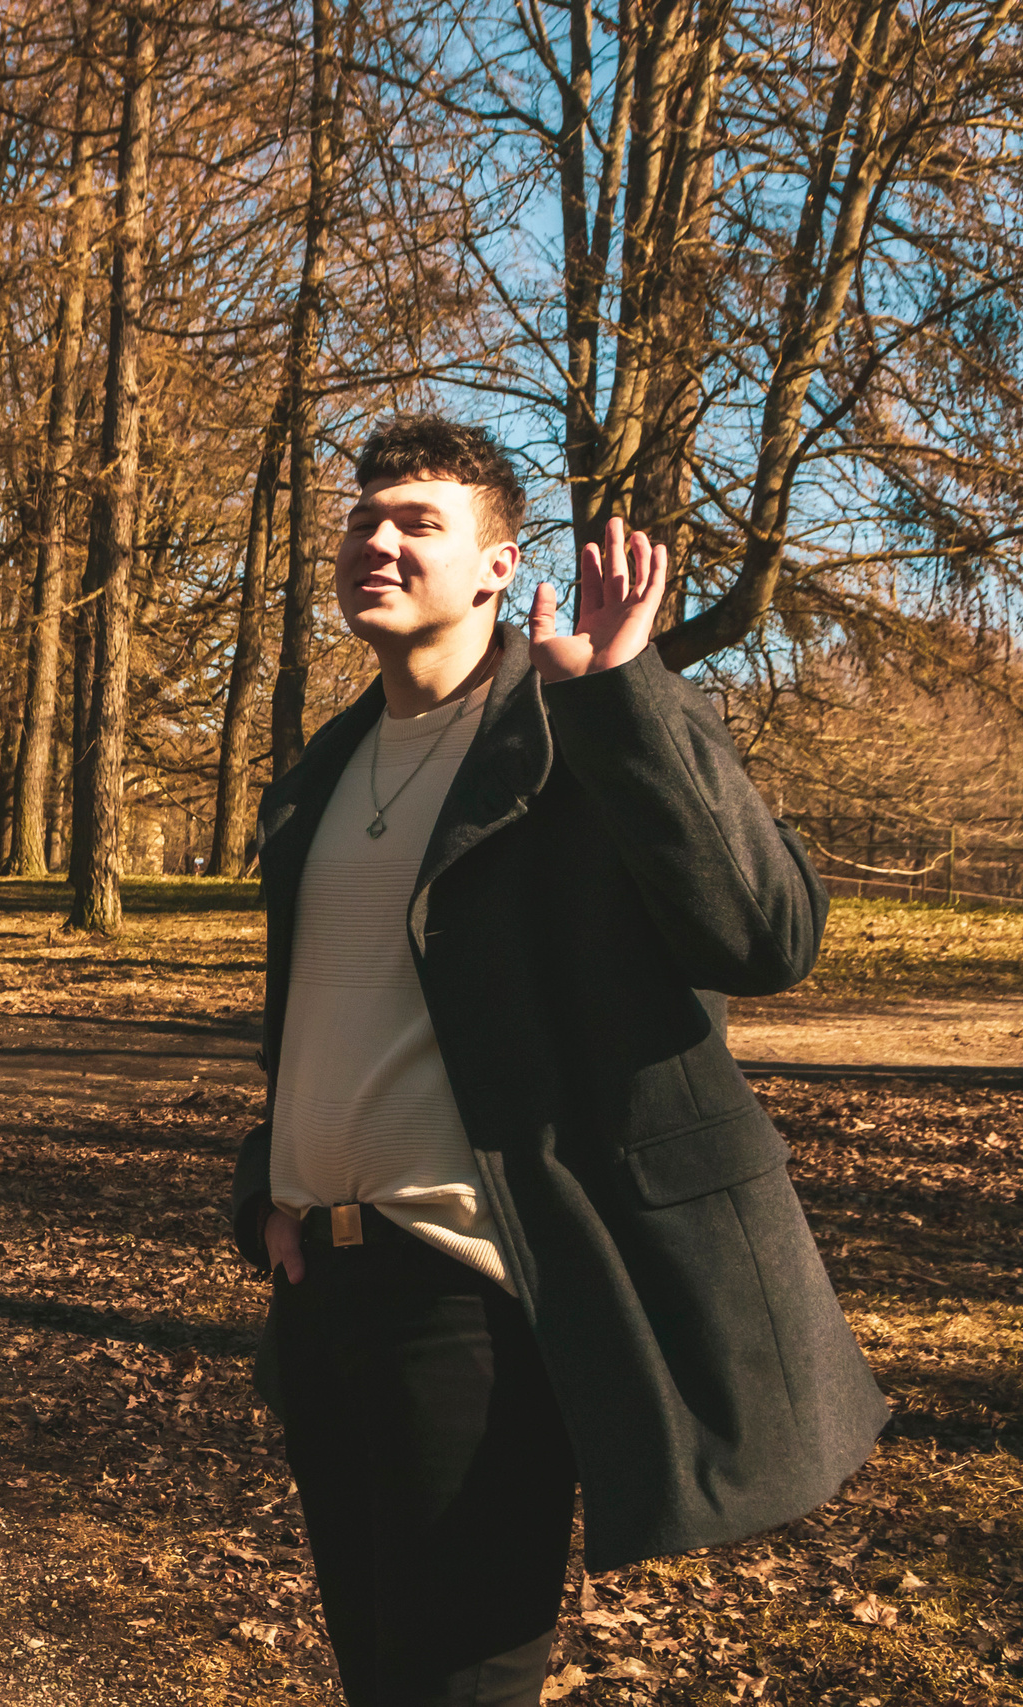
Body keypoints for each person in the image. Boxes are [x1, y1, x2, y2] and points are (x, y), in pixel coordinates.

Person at [228, 418, 887, 1707]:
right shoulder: (319, 776)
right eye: (363, 519)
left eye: (417, 521)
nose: (376, 540)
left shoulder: (572, 732)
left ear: (496, 567)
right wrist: (266, 1185)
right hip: (323, 1298)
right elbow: (318, 1023)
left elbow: (765, 936)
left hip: (476, 1294)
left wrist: (622, 697)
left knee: (456, 1685)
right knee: (377, 1679)